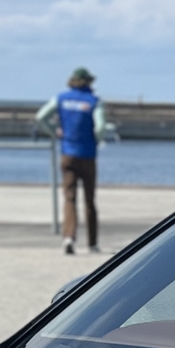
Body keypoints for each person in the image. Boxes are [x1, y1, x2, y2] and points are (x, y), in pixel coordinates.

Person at [36, 68, 107, 254]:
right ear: (89, 82)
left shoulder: (61, 98)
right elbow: (100, 126)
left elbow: (41, 116)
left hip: (68, 152)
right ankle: (92, 242)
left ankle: (68, 237)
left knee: (69, 197)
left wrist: (55, 132)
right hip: (88, 154)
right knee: (90, 199)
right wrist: (96, 140)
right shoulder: (94, 101)